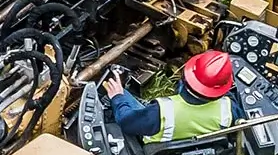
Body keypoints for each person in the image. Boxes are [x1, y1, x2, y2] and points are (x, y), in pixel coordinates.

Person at [101, 51, 235, 143]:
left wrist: (118, 98)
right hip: (193, 153)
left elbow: (126, 122)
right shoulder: (229, 109)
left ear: (185, 77)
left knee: (121, 94)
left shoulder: (162, 111)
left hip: (155, 152)